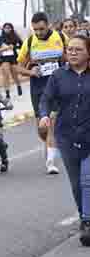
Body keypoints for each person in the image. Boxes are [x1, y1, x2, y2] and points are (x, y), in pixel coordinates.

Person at [40, 32, 90, 245]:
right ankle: (84, 217)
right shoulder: (58, 76)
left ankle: (87, 221)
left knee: (87, 180)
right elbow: (46, 99)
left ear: (88, 53)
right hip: (66, 135)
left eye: (78, 49)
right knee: (76, 183)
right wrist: (43, 115)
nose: (73, 52)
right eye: (69, 49)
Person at [17, 12, 65, 175]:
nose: (38, 33)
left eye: (41, 29)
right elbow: (18, 67)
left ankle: (50, 161)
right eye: (35, 29)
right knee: (42, 129)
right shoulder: (29, 42)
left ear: (48, 25)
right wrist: (31, 72)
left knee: (51, 122)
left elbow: (69, 59)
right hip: (38, 87)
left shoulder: (60, 38)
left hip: (58, 87)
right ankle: (52, 144)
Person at [0, 22, 23, 99]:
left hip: (13, 58)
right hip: (4, 58)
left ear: (11, 28)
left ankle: (18, 86)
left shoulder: (15, 37)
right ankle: (7, 92)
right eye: (5, 28)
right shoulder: (0, 38)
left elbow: (21, 46)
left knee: (14, 74)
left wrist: (14, 47)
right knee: (6, 74)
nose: (7, 29)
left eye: (9, 28)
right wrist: (3, 49)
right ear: (3, 29)